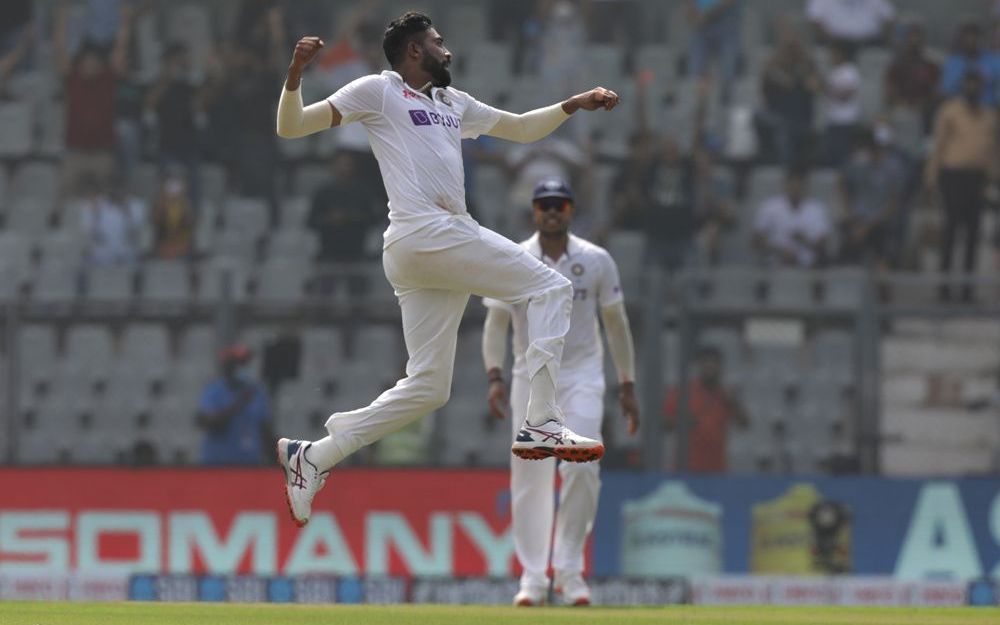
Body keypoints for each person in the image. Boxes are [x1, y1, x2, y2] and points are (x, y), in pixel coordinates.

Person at [272, 12, 619, 527]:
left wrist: (572, 105)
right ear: (414, 51)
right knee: (552, 286)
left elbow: (521, 129)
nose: (447, 49)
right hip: (426, 231)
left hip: (424, 252)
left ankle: (316, 456)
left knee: (430, 387)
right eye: (437, 42)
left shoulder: (453, 103)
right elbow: (292, 126)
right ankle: (542, 422)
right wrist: (296, 74)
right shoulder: (379, 90)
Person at [482, 179, 639, 607]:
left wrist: (627, 383)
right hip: (529, 378)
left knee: (583, 465)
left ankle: (569, 571)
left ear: (571, 210)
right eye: (544, 205)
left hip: (583, 375)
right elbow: (495, 323)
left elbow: (617, 323)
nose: (552, 211)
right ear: (534, 211)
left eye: (560, 204)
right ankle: (533, 578)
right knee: (530, 475)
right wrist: (494, 375)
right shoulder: (512, 259)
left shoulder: (596, 260)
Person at [926, 71, 999, 302]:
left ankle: (967, 290)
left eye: (977, 85)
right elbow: (939, 145)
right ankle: (945, 288)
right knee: (951, 232)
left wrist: (994, 177)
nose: (973, 89)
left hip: (978, 179)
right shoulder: (950, 111)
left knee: (973, 235)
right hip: (953, 175)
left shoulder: (989, 116)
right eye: (969, 84)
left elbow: (993, 150)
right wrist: (931, 175)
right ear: (963, 86)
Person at [664, 346, 747, 473]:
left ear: (721, 367)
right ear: (699, 365)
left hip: (716, 468)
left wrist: (733, 403)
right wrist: (681, 422)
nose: (710, 367)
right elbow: (663, 422)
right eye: (706, 363)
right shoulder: (684, 392)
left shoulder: (726, 394)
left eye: (714, 363)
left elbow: (744, 424)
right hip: (687, 466)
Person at [838, 126, 907, 268]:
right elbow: (841, 182)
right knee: (845, 240)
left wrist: (867, 227)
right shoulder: (859, 163)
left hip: (881, 222)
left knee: (882, 246)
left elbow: (894, 204)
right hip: (858, 219)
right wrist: (849, 213)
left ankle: (883, 269)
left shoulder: (894, 168)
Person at [197, 344, 274, 466]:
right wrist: (239, 403)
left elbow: (264, 427)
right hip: (218, 462)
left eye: (244, 363)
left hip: (250, 462)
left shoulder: (257, 392)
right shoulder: (214, 390)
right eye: (237, 362)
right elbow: (209, 423)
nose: (241, 367)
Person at [759, 24, 821, 166]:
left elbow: (816, 86)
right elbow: (763, 93)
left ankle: (786, 168)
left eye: (792, 46)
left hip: (800, 116)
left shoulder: (807, 66)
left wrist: (801, 78)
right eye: (786, 46)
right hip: (777, 114)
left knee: (786, 131)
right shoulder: (773, 67)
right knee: (758, 118)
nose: (789, 50)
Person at [753, 167, 832, 267]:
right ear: (785, 185)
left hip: (809, 267)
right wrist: (780, 250)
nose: (795, 189)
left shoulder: (817, 209)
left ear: (805, 186)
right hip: (775, 265)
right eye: (792, 185)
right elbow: (756, 241)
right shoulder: (769, 206)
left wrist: (804, 240)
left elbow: (824, 245)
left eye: (799, 186)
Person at [685, 0, 741, 104]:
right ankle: (699, 105)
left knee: (727, 74)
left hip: (726, 23)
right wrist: (692, 12)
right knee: (697, 74)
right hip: (700, 26)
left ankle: (725, 101)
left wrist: (707, 15)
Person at [822, 42, 862, 167]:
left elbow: (846, 94)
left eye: (833, 53)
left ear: (841, 54)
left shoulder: (849, 70)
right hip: (834, 121)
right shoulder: (834, 72)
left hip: (846, 121)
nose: (831, 57)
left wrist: (824, 88)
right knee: (833, 157)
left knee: (845, 158)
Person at [941, 22, 1000, 107]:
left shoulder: (994, 60)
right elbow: (946, 91)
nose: (971, 39)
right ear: (961, 38)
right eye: (967, 35)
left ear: (981, 37)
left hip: (988, 111)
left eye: (975, 35)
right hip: (960, 111)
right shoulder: (953, 63)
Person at [806, 0, 895, 49]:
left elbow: (890, 18)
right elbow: (815, 20)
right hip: (835, 46)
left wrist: (885, 37)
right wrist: (829, 39)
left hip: (870, 45)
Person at [151, 172, 194, 260]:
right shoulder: (161, 205)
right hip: (164, 244)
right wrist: (162, 204)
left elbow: (190, 222)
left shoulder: (184, 205)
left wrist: (184, 204)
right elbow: (155, 221)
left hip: (181, 244)